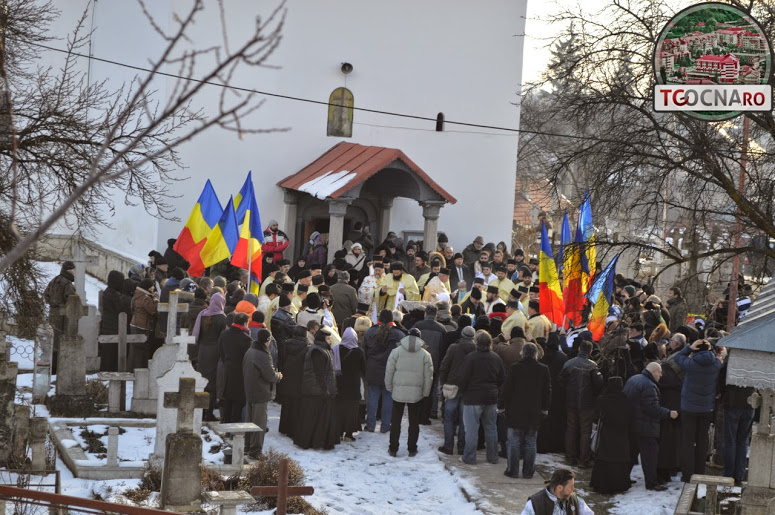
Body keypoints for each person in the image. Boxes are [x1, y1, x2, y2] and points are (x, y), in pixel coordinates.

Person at [623, 362, 678, 491]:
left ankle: (623, 478)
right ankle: (652, 483)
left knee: (631, 454)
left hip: (632, 424)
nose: (661, 375)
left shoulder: (633, 379)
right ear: (653, 372)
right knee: (650, 457)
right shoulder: (649, 385)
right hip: (646, 426)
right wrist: (669, 413)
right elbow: (652, 409)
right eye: (659, 373)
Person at [674, 339, 723, 482]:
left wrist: (689, 347)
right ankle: (700, 471)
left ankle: (687, 474)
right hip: (707, 408)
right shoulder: (716, 364)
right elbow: (719, 358)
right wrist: (710, 349)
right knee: (702, 441)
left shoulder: (691, 364)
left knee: (688, 441)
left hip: (689, 408)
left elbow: (677, 357)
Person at [502, 342, 551, 479]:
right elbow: (547, 391)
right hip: (534, 411)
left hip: (515, 410)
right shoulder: (543, 369)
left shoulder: (515, 368)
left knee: (514, 442)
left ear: (522, 353)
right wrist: (545, 408)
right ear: (536, 354)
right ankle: (528, 471)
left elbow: (507, 389)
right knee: (530, 442)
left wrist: (501, 405)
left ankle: (512, 470)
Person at [385, 328, 433, 457]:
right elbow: (428, 376)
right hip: (416, 393)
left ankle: (393, 448)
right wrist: (425, 392)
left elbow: (389, 371)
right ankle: (412, 449)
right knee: (414, 422)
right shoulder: (425, 355)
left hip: (398, 391)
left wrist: (389, 387)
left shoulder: (396, 352)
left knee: (395, 421)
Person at [459, 330, 504, 465]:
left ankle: (469, 457)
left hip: (473, 397)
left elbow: (463, 378)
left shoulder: (471, 358)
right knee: (491, 428)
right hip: (491, 397)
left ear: (476, 342)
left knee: (471, 429)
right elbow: (501, 379)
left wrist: (462, 391)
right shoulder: (496, 358)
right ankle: (493, 457)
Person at [559, 340, 603, 468]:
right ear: (590, 351)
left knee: (571, 428)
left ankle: (570, 457)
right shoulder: (593, 366)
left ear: (579, 349)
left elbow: (560, 380)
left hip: (571, 401)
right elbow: (599, 383)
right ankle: (584, 460)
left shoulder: (569, 363)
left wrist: (568, 391)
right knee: (585, 431)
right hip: (587, 403)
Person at [294, 327, 339, 450]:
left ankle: (314, 442)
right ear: (323, 339)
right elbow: (320, 373)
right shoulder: (318, 351)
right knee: (314, 418)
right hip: (316, 390)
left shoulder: (321, 349)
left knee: (315, 418)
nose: (330, 340)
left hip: (316, 389)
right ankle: (313, 442)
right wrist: (325, 389)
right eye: (328, 338)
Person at [243, 328, 282, 459]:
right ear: (267, 341)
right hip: (260, 392)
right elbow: (270, 375)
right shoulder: (262, 354)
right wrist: (278, 376)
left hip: (250, 389)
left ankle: (247, 446)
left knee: (249, 420)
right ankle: (255, 451)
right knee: (259, 423)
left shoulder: (250, 350)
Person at [363, 310, 405, 432]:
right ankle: (385, 426)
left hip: (372, 369)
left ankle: (370, 425)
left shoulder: (370, 332)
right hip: (391, 371)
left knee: (372, 398)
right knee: (388, 399)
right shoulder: (399, 334)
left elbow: (364, 351)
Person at [438, 325, 476, 455]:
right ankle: (461, 447)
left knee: (449, 418)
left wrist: (443, 383)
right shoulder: (476, 350)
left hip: (452, 387)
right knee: (464, 420)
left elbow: (444, 366)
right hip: (468, 389)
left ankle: (448, 446)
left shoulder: (453, 348)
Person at [590, 377, 632, 494]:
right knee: (619, 459)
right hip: (621, 434)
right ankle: (619, 484)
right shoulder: (625, 400)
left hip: (606, 433)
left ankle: (602, 484)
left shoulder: (602, 399)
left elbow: (596, 416)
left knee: (604, 457)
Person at [719, 352, 755, 486]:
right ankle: (739, 475)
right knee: (743, 441)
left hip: (732, 402)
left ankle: (729, 475)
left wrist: (722, 394)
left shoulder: (731, 358)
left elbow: (721, 379)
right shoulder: (754, 357)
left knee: (730, 440)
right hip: (749, 401)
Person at [193, 292, 227, 421]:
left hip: (202, 351)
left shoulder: (202, 314)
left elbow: (198, 334)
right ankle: (208, 412)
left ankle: (200, 411)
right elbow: (223, 338)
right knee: (212, 383)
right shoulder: (222, 318)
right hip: (215, 353)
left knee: (202, 381)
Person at [411, 304, 447, 423]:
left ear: (425, 313)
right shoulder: (442, 328)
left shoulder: (418, 325)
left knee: (417, 388)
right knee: (430, 390)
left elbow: (411, 343)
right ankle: (425, 416)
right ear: (436, 314)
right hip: (434, 363)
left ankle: (416, 414)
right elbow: (443, 348)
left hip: (417, 362)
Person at [218, 312, 252, 423]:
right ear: (245, 323)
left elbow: (221, 353)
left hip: (227, 370)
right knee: (238, 402)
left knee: (227, 399)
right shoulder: (246, 338)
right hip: (240, 374)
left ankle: (226, 423)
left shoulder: (224, 334)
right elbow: (247, 359)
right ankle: (233, 425)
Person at [43, 260, 77, 373]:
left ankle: (52, 366)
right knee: (62, 340)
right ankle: (58, 368)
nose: (74, 272)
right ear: (68, 271)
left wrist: (52, 304)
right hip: (63, 316)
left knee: (53, 339)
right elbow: (72, 300)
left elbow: (45, 294)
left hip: (52, 314)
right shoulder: (67, 284)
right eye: (73, 270)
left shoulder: (54, 280)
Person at [537, 332, 568, 454]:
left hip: (543, 391)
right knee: (556, 419)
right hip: (558, 393)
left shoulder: (542, 356)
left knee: (543, 420)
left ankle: (542, 444)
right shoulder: (563, 357)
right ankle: (554, 444)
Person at [333, 327, 366, 441]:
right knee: (352, 410)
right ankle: (348, 434)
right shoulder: (359, 351)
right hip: (353, 385)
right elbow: (364, 369)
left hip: (339, 384)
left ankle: (338, 432)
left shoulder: (335, 349)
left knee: (339, 408)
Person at [277, 326, 309, 438]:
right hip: (299, 379)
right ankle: (292, 429)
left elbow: (281, 360)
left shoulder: (286, 344)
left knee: (286, 404)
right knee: (296, 406)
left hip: (286, 377)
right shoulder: (306, 347)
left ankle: (283, 427)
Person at [521, 468, 594, 515]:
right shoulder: (535, 503)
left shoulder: (574, 500)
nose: (573, 489)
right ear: (559, 488)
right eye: (571, 486)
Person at [98, 270, 131, 372]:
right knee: (111, 354)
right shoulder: (114, 295)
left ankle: (106, 371)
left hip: (108, 326)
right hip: (114, 326)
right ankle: (109, 372)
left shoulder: (107, 292)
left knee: (108, 353)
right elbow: (121, 309)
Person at [129, 278, 158, 370]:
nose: (153, 288)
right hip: (142, 326)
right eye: (152, 286)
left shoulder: (137, 294)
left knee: (135, 349)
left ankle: (133, 368)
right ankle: (140, 369)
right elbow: (153, 310)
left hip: (135, 324)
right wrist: (156, 299)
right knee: (142, 350)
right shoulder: (145, 297)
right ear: (148, 287)